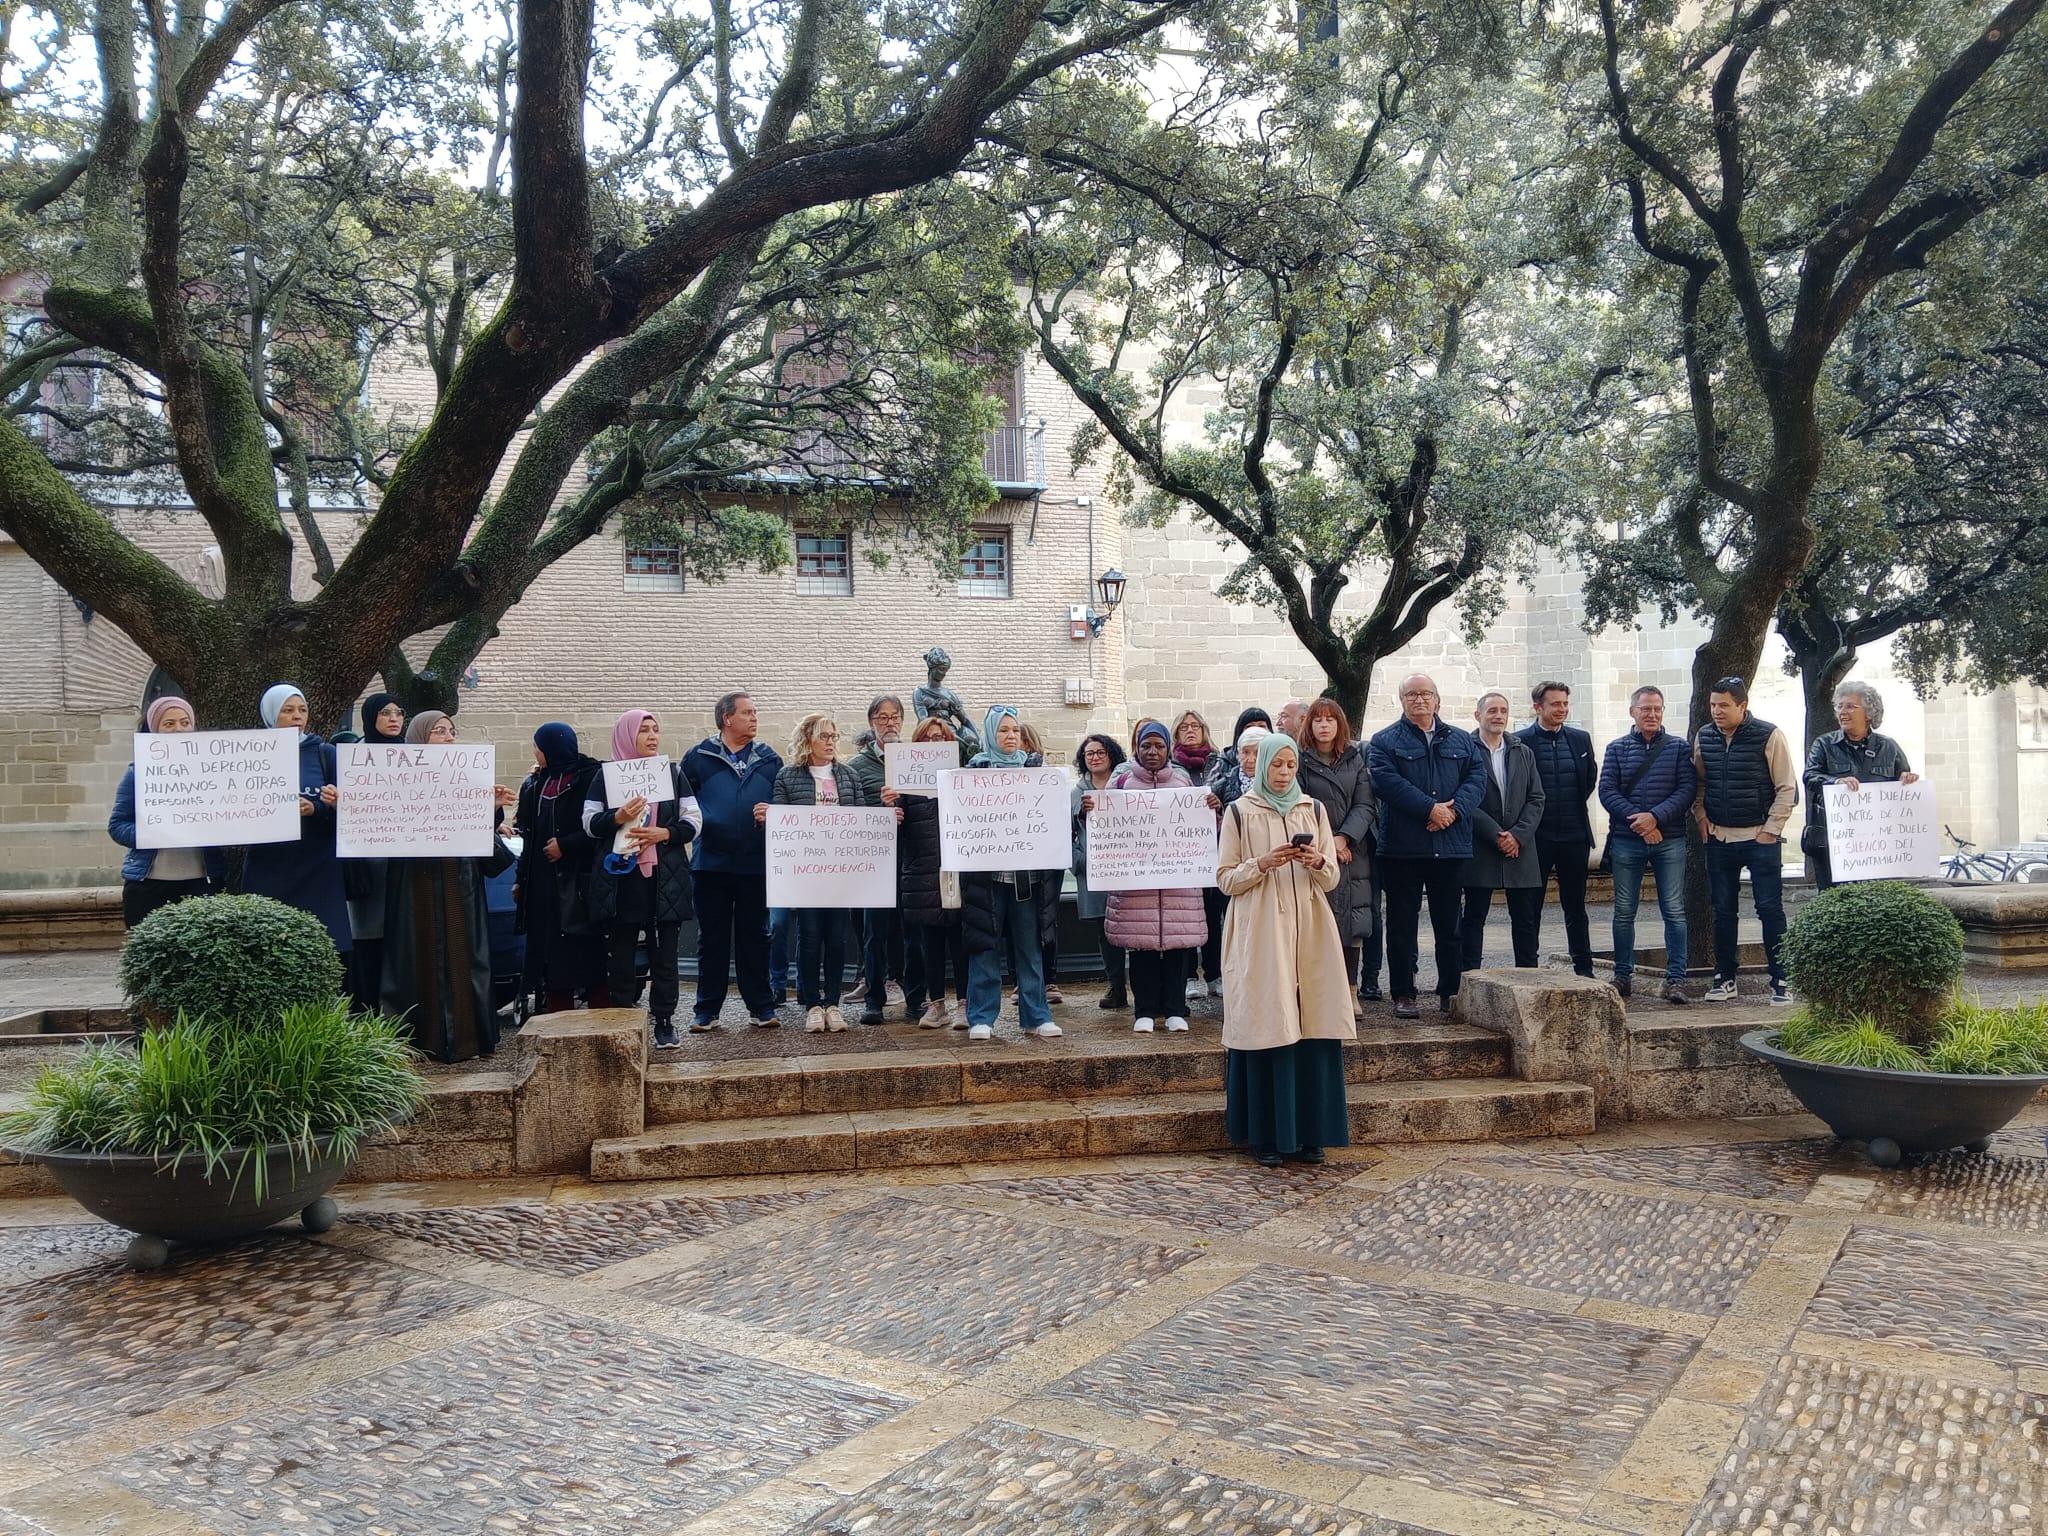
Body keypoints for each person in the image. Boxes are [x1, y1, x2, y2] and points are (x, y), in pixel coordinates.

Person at [1219, 733, 1355, 1167]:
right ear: (1261, 768)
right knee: (1267, 1019)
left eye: (1290, 766)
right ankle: (1266, 1133)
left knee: (1313, 1021)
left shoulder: (1313, 808)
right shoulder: (1240, 812)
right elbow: (1224, 878)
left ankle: (1313, 1130)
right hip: (1260, 931)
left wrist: (1317, 862)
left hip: (1310, 929)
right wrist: (1262, 863)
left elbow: (1331, 878)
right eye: (1275, 766)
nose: (1283, 774)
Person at [379, 711, 517, 1062]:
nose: (448, 737)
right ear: (420, 737)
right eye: (439, 731)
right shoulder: (396, 778)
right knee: (417, 953)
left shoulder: (465, 776)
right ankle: (418, 1038)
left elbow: (476, 833)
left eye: (451, 731)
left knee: (463, 951)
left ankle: (467, 1039)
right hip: (416, 880)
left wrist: (491, 808)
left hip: (459, 879)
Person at [1085, 720, 1217, 1034]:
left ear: (1168, 749)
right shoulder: (1122, 783)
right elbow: (1101, 824)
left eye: (1159, 746)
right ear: (1137, 749)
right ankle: (1143, 1010)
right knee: (1140, 950)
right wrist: (1089, 809)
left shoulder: (1184, 783)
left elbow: (1206, 831)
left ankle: (1174, 1009)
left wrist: (1214, 809)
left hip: (1178, 888)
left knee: (1177, 950)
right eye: (1146, 746)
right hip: (1136, 888)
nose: (1153, 752)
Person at [1367, 674, 1486, 1019]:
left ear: (1437, 699)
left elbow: (1477, 780)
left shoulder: (1463, 741)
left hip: (1449, 846)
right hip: (1404, 847)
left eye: (1425, 694)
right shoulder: (1385, 740)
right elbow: (1387, 783)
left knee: (1449, 924)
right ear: (1401, 700)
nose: (1419, 700)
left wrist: (1452, 811)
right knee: (1401, 925)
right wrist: (1429, 809)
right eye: (1411, 695)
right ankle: (1404, 993)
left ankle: (1450, 990)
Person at [1693, 676, 1799, 1004]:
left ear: (1742, 705)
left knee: (1769, 909)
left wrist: (1771, 829)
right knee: (1722, 911)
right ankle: (1724, 977)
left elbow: (1787, 787)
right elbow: (1698, 783)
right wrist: (1701, 817)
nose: (1716, 711)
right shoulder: (1705, 736)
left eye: (1724, 705)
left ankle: (1781, 979)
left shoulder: (1769, 734)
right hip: (1720, 838)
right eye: (1713, 705)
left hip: (1760, 838)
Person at [683, 692, 784, 1031]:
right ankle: (706, 1010)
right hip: (710, 863)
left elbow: (782, 805)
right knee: (711, 938)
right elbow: (685, 805)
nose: (755, 718)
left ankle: (762, 1007)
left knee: (755, 936)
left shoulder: (770, 759)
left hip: (755, 863)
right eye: (747, 713)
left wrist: (771, 816)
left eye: (755, 712)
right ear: (727, 719)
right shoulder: (698, 757)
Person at [960, 705, 1062, 1042]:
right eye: (1003, 730)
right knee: (985, 947)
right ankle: (981, 1017)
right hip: (987, 881)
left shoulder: (1036, 770)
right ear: (991, 734)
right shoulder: (976, 771)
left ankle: (1036, 1015)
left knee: (1030, 948)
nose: (1010, 736)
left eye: (1015, 731)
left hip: (1027, 881)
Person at [773, 714, 878, 1033]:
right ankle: (812, 1004)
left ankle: (833, 1002)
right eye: (825, 736)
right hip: (806, 873)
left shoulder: (847, 776)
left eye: (834, 736)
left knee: (836, 938)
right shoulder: (788, 777)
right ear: (808, 740)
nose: (832, 742)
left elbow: (859, 820)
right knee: (809, 937)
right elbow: (781, 824)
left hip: (840, 872)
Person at [1599, 685, 1696, 1003]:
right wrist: (1640, 823)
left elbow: (1686, 790)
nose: (1652, 714)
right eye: (1646, 709)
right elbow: (1608, 792)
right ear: (1633, 712)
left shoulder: (1679, 749)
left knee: (1674, 910)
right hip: (1628, 840)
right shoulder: (1616, 749)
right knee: (1624, 911)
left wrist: (1655, 817)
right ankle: (1623, 976)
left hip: (1669, 840)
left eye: (1657, 709)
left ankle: (1677, 979)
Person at [242, 683, 351, 962]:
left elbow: (352, 810)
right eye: (288, 710)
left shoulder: (325, 754)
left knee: (320, 949)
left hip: (317, 868)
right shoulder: (249, 756)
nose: (297, 716)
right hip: (269, 867)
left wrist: (318, 807)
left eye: (302, 710)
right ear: (270, 715)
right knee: (268, 950)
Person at [514, 723, 608, 1015]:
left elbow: (603, 827)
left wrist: (566, 845)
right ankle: (559, 1020)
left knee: (588, 953)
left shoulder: (591, 777)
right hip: (543, 884)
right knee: (550, 955)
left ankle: (604, 1020)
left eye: (538, 747)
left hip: (581, 882)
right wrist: (521, 880)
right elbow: (528, 836)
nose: (536, 753)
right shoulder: (535, 784)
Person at [109, 695, 225, 928]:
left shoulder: (214, 772)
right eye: (169, 724)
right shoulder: (137, 773)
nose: (178, 730)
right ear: (154, 730)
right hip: (149, 885)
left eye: (185, 723)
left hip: (202, 882)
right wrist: (153, 834)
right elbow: (117, 826)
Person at [1293, 698, 1377, 1011]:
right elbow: (1299, 804)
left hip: (1352, 852)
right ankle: (1318, 993)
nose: (1324, 725)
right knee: (1317, 921)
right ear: (1309, 725)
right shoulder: (1300, 760)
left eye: (1330, 719)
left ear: (1340, 724)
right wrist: (1329, 841)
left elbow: (1365, 803)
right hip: (1316, 850)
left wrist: (1344, 837)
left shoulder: (1354, 758)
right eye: (1318, 720)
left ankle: (1350, 991)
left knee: (1353, 920)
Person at [846, 693, 922, 1023]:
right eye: (882, 718)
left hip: (910, 858)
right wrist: (882, 811)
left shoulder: (915, 760)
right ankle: (874, 999)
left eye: (895, 718)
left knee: (912, 932)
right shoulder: (856, 767)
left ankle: (914, 998)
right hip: (873, 862)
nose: (889, 723)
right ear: (871, 723)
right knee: (874, 933)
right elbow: (849, 815)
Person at [1515, 681, 1599, 978]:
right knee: (1529, 908)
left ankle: (1584, 970)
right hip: (1536, 838)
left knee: (1575, 907)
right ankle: (1528, 971)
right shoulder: (1520, 741)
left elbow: (1588, 781)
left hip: (1574, 833)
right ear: (1538, 707)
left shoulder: (1580, 739)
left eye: (1565, 703)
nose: (1561, 709)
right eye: (1555, 704)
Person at [1803, 680, 1920, 891]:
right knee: (1834, 899)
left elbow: (1902, 781)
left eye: (1850, 706)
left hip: (1876, 846)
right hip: (1834, 843)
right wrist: (1835, 781)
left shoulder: (1889, 747)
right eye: (1839, 706)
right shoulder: (1824, 744)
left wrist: (1907, 779)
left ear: (1869, 713)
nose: (1842, 712)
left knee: (1874, 899)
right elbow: (1810, 776)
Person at [1458, 692, 1545, 970]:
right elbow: (1463, 798)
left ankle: (1529, 978)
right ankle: (1468, 978)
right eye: (1492, 710)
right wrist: (1495, 834)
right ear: (1478, 715)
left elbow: (1536, 798)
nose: (1498, 716)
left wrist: (1518, 834)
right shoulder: (1464, 750)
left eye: (1503, 711)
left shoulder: (1522, 751)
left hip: (1520, 846)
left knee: (1525, 919)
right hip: (1480, 845)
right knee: (1473, 917)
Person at [900, 718, 970, 1028]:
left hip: (956, 872)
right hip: (923, 874)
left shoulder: (961, 779)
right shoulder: (905, 786)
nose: (933, 743)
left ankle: (965, 1004)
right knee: (930, 943)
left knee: (960, 941)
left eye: (939, 738)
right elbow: (897, 837)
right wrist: (892, 809)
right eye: (927, 739)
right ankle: (936, 1003)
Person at [343, 691, 409, 1010]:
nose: (394, 718)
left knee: (403, 943)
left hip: (406, 866)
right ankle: (368, 1014)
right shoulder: (354, 757)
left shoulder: (416, 756)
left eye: (398, 712)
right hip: (367, 869)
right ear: (371, 717)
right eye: (385, 713)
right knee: (369, 943)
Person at [1169, 710, 1225, 1001]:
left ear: (1205, 729)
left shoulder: (1219, 763)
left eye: (1196, 726)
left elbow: (1229, 800)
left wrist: (1219, 805)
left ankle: (1214, 974)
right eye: (1184, 727)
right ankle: (1189, 975)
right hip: (1180, 854)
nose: (1190, 730)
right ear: (1175, 733)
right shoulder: (1170, 767)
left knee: (1212, 915)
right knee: (1186, 916)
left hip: (1213, 850)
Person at [1071, 732, 1129, 1010]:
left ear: (1111, 755)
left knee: (1131, 927)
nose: (1094, 758)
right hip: (1093, 871)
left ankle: (1139, 984)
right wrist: (1079, 861)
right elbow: (1065, 833)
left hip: (1125, 868)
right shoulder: (1076, 792)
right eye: (1089, 754)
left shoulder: (1126, 785)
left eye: (1100, 752)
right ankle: (1115, 985)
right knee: (1103, 932)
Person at [1017, 720, 1065, 1004]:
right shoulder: (998, 772)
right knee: (1017, 922)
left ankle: (1050, 979)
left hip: (1044, 860)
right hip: (1016, 860)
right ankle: (1020, 981)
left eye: (1022, 740)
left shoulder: (1048, 776)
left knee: (1046, 919)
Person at [912, 646, 981, 758]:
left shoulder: (950, 695)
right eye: (941, 669)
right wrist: (952, 738)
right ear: (932, 668)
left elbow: (965, 719)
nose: (944, 673)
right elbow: (923, 720)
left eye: (946, 670)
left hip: (951, 733)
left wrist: (979, 737)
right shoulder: (919, 692)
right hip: (931, 734)